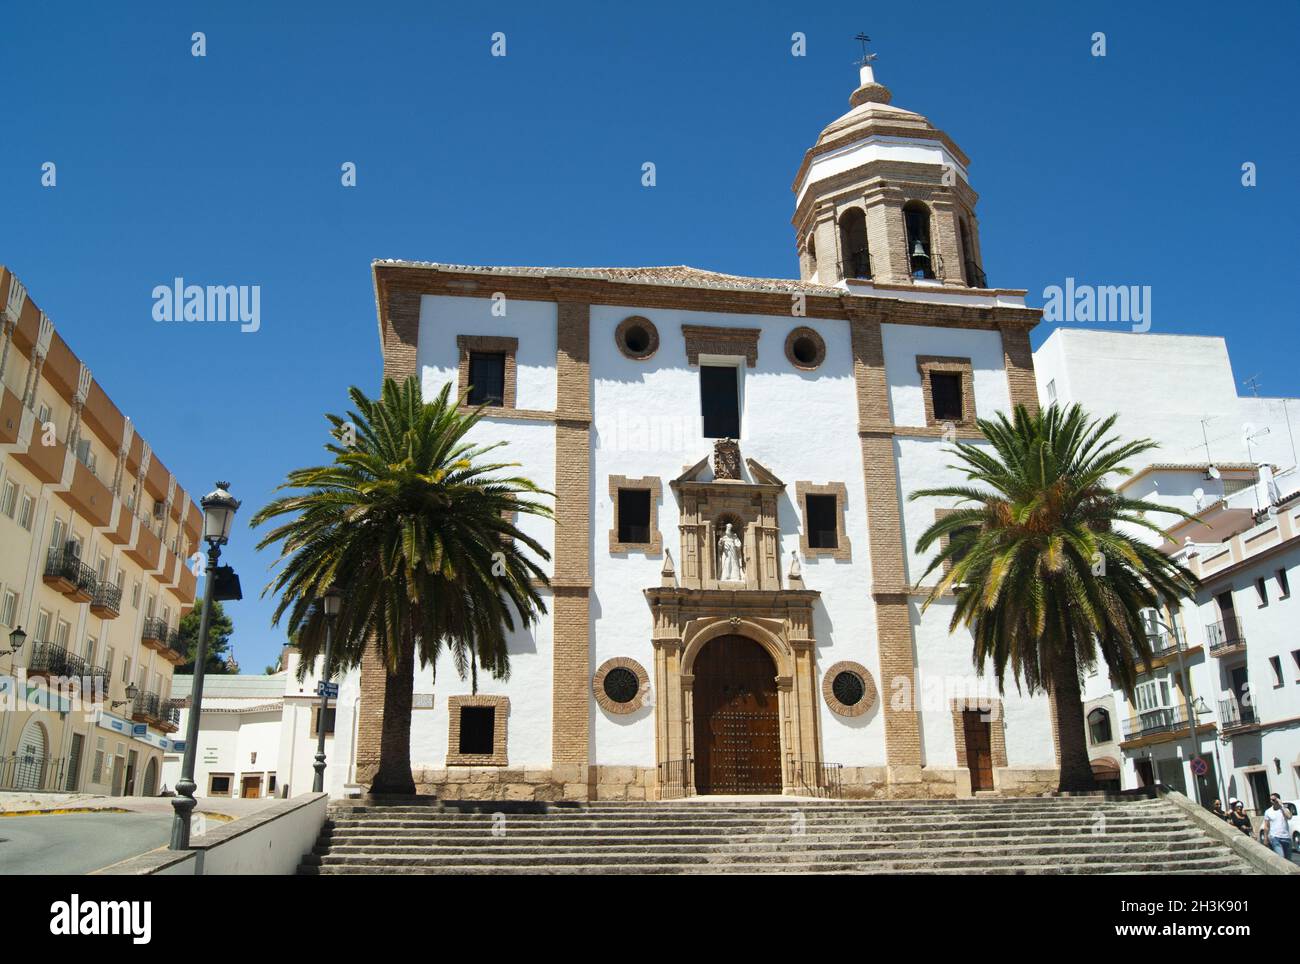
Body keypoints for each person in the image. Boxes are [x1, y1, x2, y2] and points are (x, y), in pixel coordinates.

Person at [1263, 793, 1294, 861]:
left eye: (1273, 800)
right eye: (1270, 800)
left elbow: (1289, 817)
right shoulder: (1268, 812)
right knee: (1281, 858)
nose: (1271, 801)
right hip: (1275, 838)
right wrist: (1265, 838)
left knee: (1288, 860)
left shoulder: (1284, 809)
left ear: (1278, 800)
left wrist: (1282, 805)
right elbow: (1266, 826)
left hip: (1286, 837)